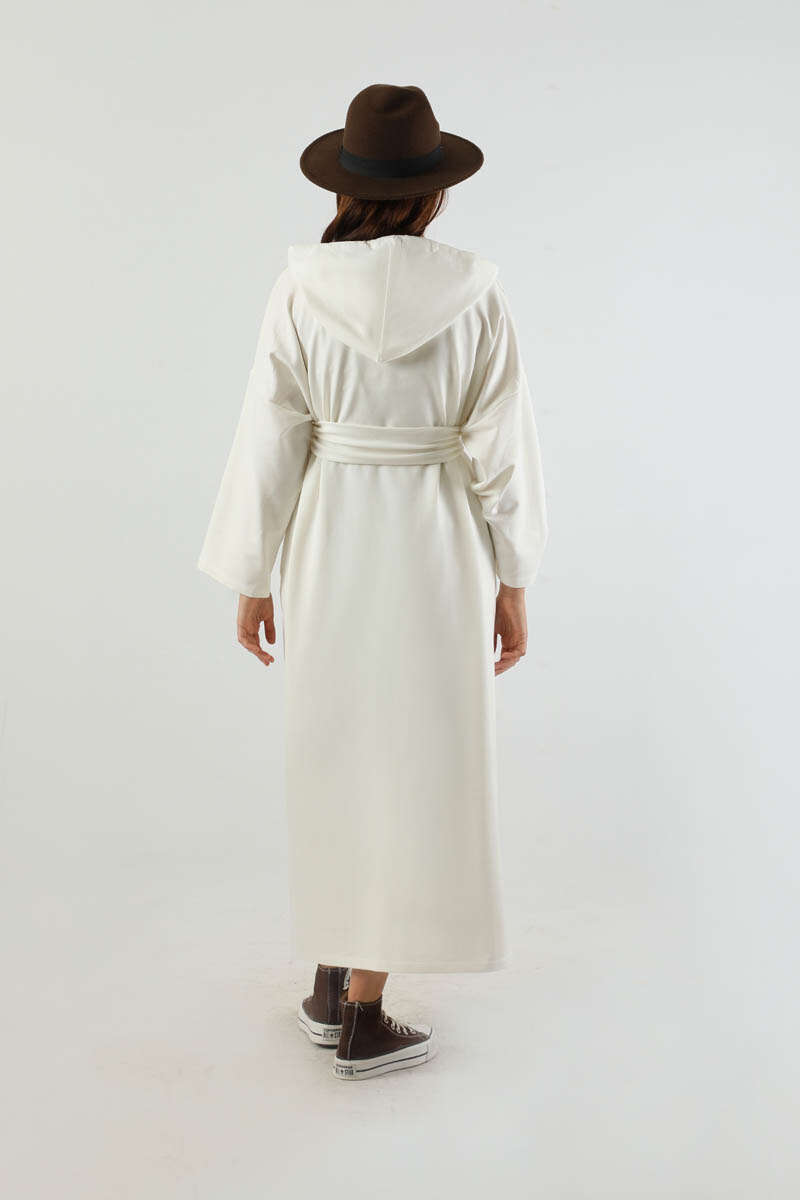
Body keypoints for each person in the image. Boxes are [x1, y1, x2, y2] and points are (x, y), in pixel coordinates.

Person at [197, 83, 548, 1081]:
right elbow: (504, 450)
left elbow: (270, 434)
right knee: (420, 757)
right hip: (436, 541)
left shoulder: (298, 290)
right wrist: (513, 576)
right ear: (432, 193)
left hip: (328, 536)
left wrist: (253, 571)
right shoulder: (475, 293)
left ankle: (333, 979)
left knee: (336, 747)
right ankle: (360, 1010)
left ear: (347, 187)